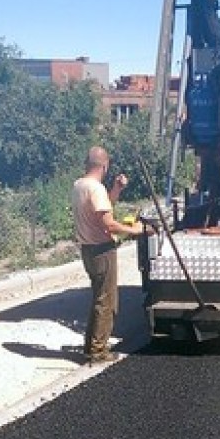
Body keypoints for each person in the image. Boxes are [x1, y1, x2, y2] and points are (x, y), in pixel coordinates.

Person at [70, 146, 146, 363]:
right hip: (101, 251)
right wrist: (137, 231)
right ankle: (97, 351)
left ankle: (91, 345)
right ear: (104, 166)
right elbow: (109, 224)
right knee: (106, 302)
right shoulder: (95, 189)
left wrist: (116, 189)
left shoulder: (79, 185)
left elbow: (103, 209)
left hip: (87, 250)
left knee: (98, 298)